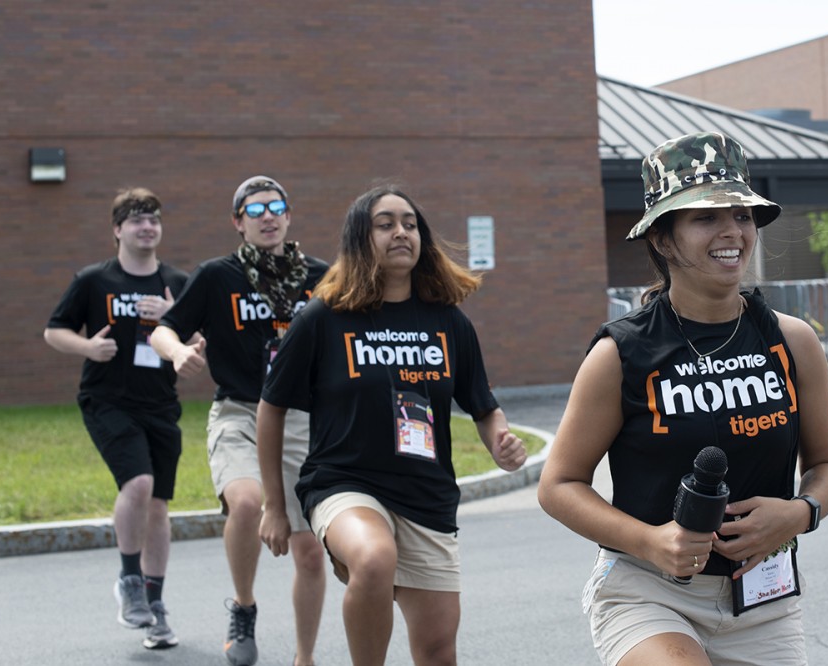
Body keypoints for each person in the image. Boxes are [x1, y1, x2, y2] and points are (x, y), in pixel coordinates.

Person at [537, 131, 828, 666]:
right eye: (706, 217)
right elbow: (558, 485)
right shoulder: (621, 354)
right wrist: (650, 542)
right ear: (662, 239)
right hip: (648, 593)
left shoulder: (793, 342)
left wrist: (800, 513)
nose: (732, 231)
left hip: (763, 602)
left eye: (743, 215)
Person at [257, 185, 528, 666]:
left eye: (409, 223)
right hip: (343, 484)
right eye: (385, 223)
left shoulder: (448, 323)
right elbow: (271, 406)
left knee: (438, 652)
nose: (401, 232)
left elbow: (483, 406)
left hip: (427, 495)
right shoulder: (325, 317)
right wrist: (274, 507)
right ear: (361, 238)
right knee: (374, 558)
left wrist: (499, 441)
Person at [150, 176, 329, 666]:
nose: (267, 216)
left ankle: (304, 656)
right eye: (255, 210)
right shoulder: (216, 276)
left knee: (311, 551)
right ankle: (244, 607)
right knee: (248, 503)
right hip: (239, 411)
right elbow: (164, 331)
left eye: (276, 207)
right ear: (238, 222)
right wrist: (178, 352)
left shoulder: (322, 279)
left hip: (301, 419)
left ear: (289, 216)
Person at [44, 187, 191, 650]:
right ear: (117, 230)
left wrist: (174, 317)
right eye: (135, 219)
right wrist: (88, 347)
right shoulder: (94, 280)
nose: (146, 226)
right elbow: (54, 331)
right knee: (139, 484)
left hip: (161, 405)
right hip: (107, 401)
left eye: (153, 219)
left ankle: (154, 603)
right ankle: (129, 580)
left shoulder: (177, 282)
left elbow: (200, 342)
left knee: (160, 506)